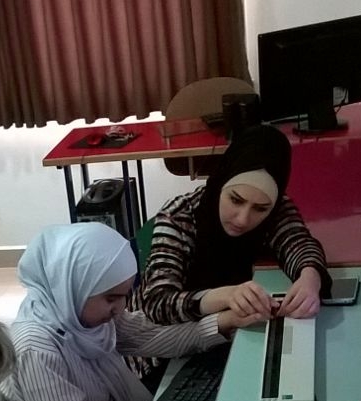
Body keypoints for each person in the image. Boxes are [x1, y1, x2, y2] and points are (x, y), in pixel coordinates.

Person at [0, 222, 256, 401]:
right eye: (110, 298)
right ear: (73, 286)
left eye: (124, 296)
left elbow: (152, 336)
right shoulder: (38, 349)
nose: (119, 308)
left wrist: (223, 322)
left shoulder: (81, 317)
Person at [131, 124, 331, 347]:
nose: (242, 219)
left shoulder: (278, 209)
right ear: (221, 183)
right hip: (160, 347)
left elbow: (298, 243)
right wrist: (224, 296)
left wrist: (310, 278)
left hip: (225, 334)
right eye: (235, 200)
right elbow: (157, 303)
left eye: (260, 209)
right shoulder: (179, 217)